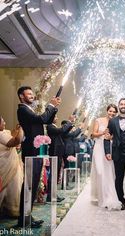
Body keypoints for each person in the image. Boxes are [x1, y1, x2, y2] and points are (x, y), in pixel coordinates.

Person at [17, 86, 61, 228]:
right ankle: (23, 218)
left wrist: (54, 108)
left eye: (32, 93)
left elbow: (47, 121)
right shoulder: (22, 109)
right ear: (21, 96)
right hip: (31, 151)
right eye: (28, 94)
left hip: (36, 151)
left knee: (34, 184)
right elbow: (42, 118)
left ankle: (27, 216)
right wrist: (50, 105)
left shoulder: (29, 109)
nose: (31, 95)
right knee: (29, 184)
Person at [90, 104, 120, 210]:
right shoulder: (99, 120)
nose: (112, 113)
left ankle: (108, 197)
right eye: (110, 111)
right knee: (100, 171)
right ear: (107, 111)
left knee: (109, 172)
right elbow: (93, 134)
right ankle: (100, 196)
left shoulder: (116, 122)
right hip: (98, 148)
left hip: (110, 148)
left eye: (114, 112)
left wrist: (112, 136)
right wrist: (103, 133)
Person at [46, 114, 75, 202]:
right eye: (55, 117)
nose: (57, 118)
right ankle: (50, 196)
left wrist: (71, 124)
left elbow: (63, 132)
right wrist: (69, 122)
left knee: (56, 174)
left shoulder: (54, 127)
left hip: (58, 153)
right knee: (53, 175)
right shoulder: (50, 127)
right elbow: (61, 130)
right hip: (54, 153)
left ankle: (53, 194)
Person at [0, 116, 24, 217]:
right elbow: (15, 141)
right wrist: (23, 128)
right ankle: (11, 210)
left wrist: (17, 130)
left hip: (10, 163)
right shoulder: (0, 134)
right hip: (7, 164)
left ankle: (6, 208)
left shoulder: (4, 132)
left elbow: (12, 137)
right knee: (13, 185)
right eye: (2, 121)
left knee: (11, 186)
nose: (4, 122)